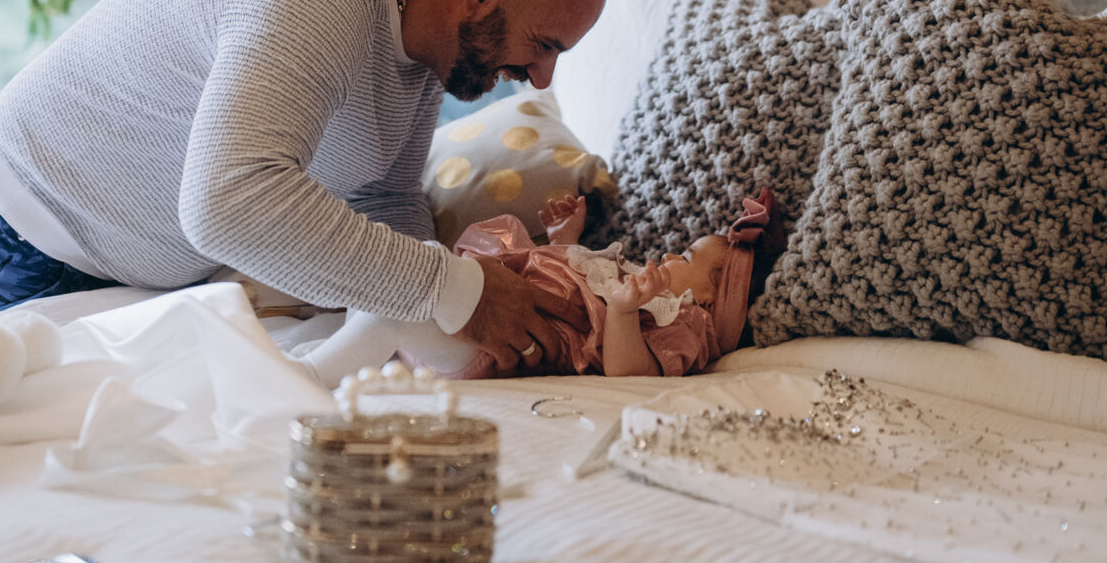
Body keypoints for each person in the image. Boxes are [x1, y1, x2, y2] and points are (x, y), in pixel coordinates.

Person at [0, 0, 608, 375]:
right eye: (544, 45)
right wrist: (455, 290)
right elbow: (227, 202)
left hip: (136, 273)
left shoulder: (429, 30)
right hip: (16, 242)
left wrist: (440, 332)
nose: (541, 78)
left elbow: (383, 199)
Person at [292, 189, 784, 387]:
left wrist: (622, 312)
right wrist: (564, 239)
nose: (673, 256)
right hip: (480, 318)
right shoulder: (637, 285)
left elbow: (630, 373)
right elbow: (562, 284)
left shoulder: (684, 321)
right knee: (408, 271)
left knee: (397, 301)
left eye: (689, 258)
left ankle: (306, 378)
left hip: (493, 348)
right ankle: (333, 357)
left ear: (712, 297)